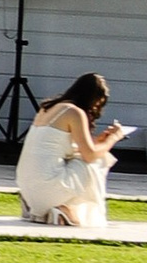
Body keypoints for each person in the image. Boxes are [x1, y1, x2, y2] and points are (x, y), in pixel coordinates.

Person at [17, 71, 125, 228]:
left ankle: (40, 207)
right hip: (47, 187)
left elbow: (65, 147)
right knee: (100, 159)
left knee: (86, 158)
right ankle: (62, 207)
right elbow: (89, 156)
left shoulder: (48, 108)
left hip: (28, 187)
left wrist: (100, 140)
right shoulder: (74, 112)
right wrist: (113, 138)